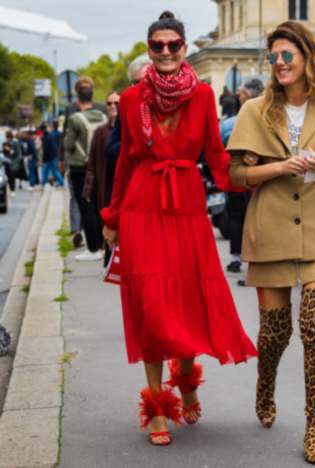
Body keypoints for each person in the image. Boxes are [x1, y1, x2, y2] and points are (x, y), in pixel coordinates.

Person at [100, 11, 257, 447]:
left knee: (187, 302)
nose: (166, 51)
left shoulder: (203, 95)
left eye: (173, 44)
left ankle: (186, 383)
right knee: (150, 306)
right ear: (150, 50)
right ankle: (156, 407)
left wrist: (250, 176)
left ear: (184, 48)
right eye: (158, 45)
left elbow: (215, 155)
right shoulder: (132, 99)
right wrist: (112, 216)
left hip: (186, 205)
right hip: (142, 207)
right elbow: (125, 161)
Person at [227, 21, 315, 464]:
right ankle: (265, 384)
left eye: (288, 55)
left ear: (307, 57)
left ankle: (314, 426)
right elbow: (237, 175)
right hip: (271, 229)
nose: (280, 63)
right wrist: (280, 167)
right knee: (275, 333)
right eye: (274, 57)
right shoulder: (255, 111)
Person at [220, 78, 265, 275]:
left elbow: (218, 148)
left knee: (238, 217)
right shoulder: (271, 119)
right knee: (256, 219)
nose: (239, 97)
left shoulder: (230, 123)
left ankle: (237, 259)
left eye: (241, 94)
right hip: (262, 179)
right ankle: (256, 262)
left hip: (240, 179)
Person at [64, 83, 108, 261]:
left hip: (80, 167)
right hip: (99, 165)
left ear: (78, 99)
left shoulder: (75, 119)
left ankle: (92, 248)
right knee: (98, 206)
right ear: (92, 97)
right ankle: (103, 245)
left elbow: (68, 144)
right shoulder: (103, 116)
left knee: (85, 207)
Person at [83, 91, 120, 266]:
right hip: (106, 187)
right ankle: (109, 262)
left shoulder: (131, 129)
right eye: (109, 103)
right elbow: (92, 162)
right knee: (107, 225)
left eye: (116, 103)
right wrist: (88, 188)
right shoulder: (100, 132)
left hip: (125, 186)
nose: (113, 106)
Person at [105, 55, 152, 173]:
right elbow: (110, 149)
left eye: (146, 80)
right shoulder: (126, 107)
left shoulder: (168, 102)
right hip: (137, 173)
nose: (142, 86)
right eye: (136, 83)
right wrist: (133, 145)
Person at [41, 123, 64, 187]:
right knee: (54, 170)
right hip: (55, 155)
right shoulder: (56, 134)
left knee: (45, 170)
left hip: (49, 157)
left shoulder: (46, 137)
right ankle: (61, 182)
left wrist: (44, 159)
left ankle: (44, 183)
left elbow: (46, 149)